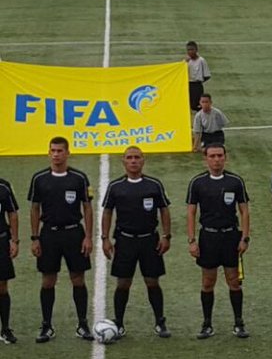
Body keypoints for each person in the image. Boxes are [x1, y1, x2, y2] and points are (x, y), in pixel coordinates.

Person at [100, 147, 171, 338]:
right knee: (123, 283)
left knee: (152, 282)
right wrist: (105, 238)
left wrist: (166, 236)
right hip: (125, 241)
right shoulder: (115, 186)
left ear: (143, 160)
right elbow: (107, 211)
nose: (133, 161)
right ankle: (119, 323)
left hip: (150, 240)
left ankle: (159, 322)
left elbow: (164, 210)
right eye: (129, 158)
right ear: (123, 161)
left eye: (137, 157)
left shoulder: (154, 184)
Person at [27, 137, 93, 343]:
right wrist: (35, 237)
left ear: (67, 153)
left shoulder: (79, 178)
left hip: (74, 233)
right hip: (49, 234)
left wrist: (88, 237)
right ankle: (47, 326)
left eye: (59, 151)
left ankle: (82, 324)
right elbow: (34, 208)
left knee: (78, 279)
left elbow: (87, 207)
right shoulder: (39, 179)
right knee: (48, 280)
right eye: (53, 151)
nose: (56, 154)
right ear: (49, 153)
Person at [185, 144, 251, 339]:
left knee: (234, 281)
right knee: (207, 282)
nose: (216, 159)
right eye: (212, 156)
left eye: (220, 155)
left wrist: (245, 237)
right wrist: (191, 240)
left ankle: (239, 323)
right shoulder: (197, 183)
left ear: (225, 157)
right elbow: (191, 211)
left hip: (230, 236)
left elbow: (244, 211)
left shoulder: (235, 181)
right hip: (208, 237)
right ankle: (207, 324)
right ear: (205, 159)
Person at [0, 175, 19, 344]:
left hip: (1, 240)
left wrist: (14, 240)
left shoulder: (3, 187)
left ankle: (5, 328)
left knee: (2, 286)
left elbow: (12, 213)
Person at [185, 41, 210, 112]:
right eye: (188, 50)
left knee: (197, 105)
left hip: (197, 85)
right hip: (188, 84)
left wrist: (199, 80)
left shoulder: (201, 61)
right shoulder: (186, 61)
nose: (190, 51)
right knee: (189, 104)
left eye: (192, 49)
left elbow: (207, 75)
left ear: (196, 50)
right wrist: (185, 62)